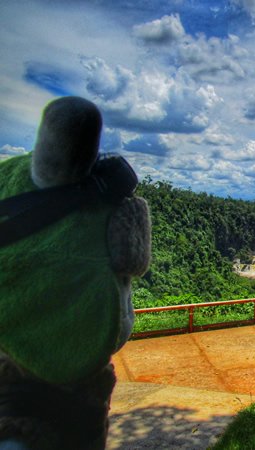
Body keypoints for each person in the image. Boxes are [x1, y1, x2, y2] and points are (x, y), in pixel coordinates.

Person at [0, 97, 151, 449]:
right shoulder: (115, 208)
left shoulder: (8, 184)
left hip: (9, 374)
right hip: (82, 381)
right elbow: (133, 265)